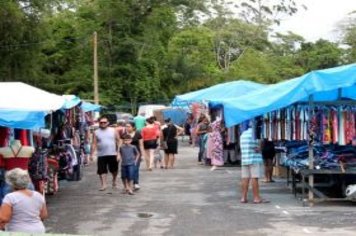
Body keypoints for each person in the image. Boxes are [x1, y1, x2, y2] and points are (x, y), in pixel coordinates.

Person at [0, 168, 48, 233]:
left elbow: (4, 218)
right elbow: (44, 215)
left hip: (17, 231)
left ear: (11, 183)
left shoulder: (10, 197)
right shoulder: (38, 195)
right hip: (38, 230)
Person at [240, 122, 269, 204]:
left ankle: (243, 197)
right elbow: (259, 147)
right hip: (254, 159)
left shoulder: (243, 134)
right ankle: (256, 198)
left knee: (245, 178)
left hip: (245, 159)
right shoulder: (256, 134)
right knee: (254, 178)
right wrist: (260, 147)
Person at [90, 115, 121, 191]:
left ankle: (114, 180)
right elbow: (94, 143)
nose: (103, 123)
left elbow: (119, 141)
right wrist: (92, 154)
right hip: (101, 154)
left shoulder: (113, 130)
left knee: (114, 170)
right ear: (99, 123)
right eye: (101, 122)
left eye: (104, 122)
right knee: (101, 170)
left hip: (113, 153)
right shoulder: (96, 132)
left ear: (108, 123)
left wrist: (118, 152)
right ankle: (104, 184)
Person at [123, 122, 144, 190]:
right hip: (127, 155)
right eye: (126, 126)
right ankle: (128, 184)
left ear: (133, 127)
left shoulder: (138, 134)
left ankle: (136, 183)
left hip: (136, 154)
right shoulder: (124, 135)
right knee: (128, 170)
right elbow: (120, 145)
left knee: (135, 168)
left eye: (129, 126)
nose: (127, 128)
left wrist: (142, 154)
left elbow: (141, 145)